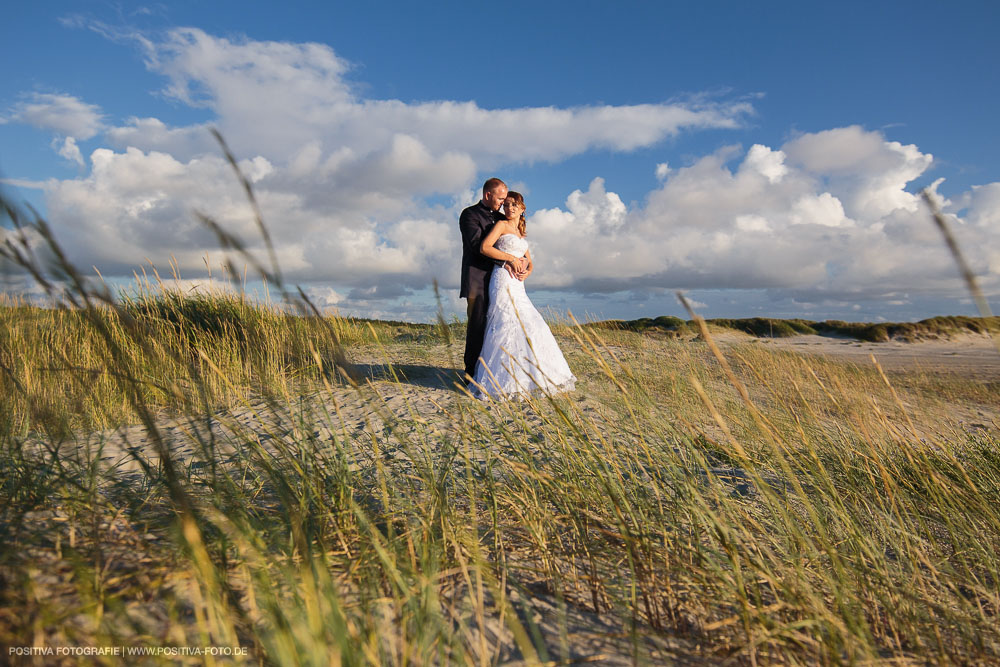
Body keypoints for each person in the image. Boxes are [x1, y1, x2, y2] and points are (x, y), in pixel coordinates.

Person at [469, 192, 576, 399]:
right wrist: (510, 259)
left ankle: (529, 376)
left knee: (530, 323)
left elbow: (529, 260)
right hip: (502, 279)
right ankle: (501, 381)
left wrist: (528, 270)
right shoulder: (501, 226)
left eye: (514, 205)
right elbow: (484, 247)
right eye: (506, 205)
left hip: (519, 283)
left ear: (522, 208)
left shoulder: (520, 231)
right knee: (506, 323)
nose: (509, 208)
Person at [459, 178, 527, 380]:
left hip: (501, 280)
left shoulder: (501, 218)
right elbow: (476, 246)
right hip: (478, 279)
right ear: (488, 195)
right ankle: (471, 373)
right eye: (500, 199)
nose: (503, 203)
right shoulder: (469, 214)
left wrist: (523, 266)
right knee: (478, 326)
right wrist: (507, 261)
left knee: (501, 326)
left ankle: (497, 371)